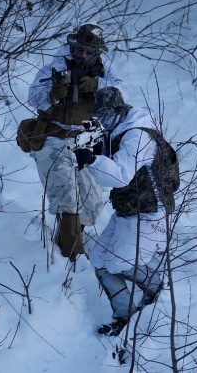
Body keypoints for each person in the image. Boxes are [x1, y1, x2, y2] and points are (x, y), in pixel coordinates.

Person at [27, 24, 127, 262]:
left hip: (86, 139)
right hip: (53, 135)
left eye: (88, 52)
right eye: (78, 49)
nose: (82, 55)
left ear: (98, 53)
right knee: (65, 197)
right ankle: (71, 255)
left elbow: (122, 95)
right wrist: (53, 93)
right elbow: (32, 96)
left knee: (92, 201)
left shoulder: (106, 70)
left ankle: (68, 237)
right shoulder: (56, 66)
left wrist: (97, 86)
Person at [73, 87, 168, 336]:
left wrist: (92, 160)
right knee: (101, 262)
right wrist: (94, 151)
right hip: (129, 208)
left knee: (119, 263)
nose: (100, 121)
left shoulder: (136, 135)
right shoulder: (119, 129)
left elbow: (122, 176)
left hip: (148, 211)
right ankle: (125, 316)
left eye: (103, 115)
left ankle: (156, 287)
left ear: (115, 112)